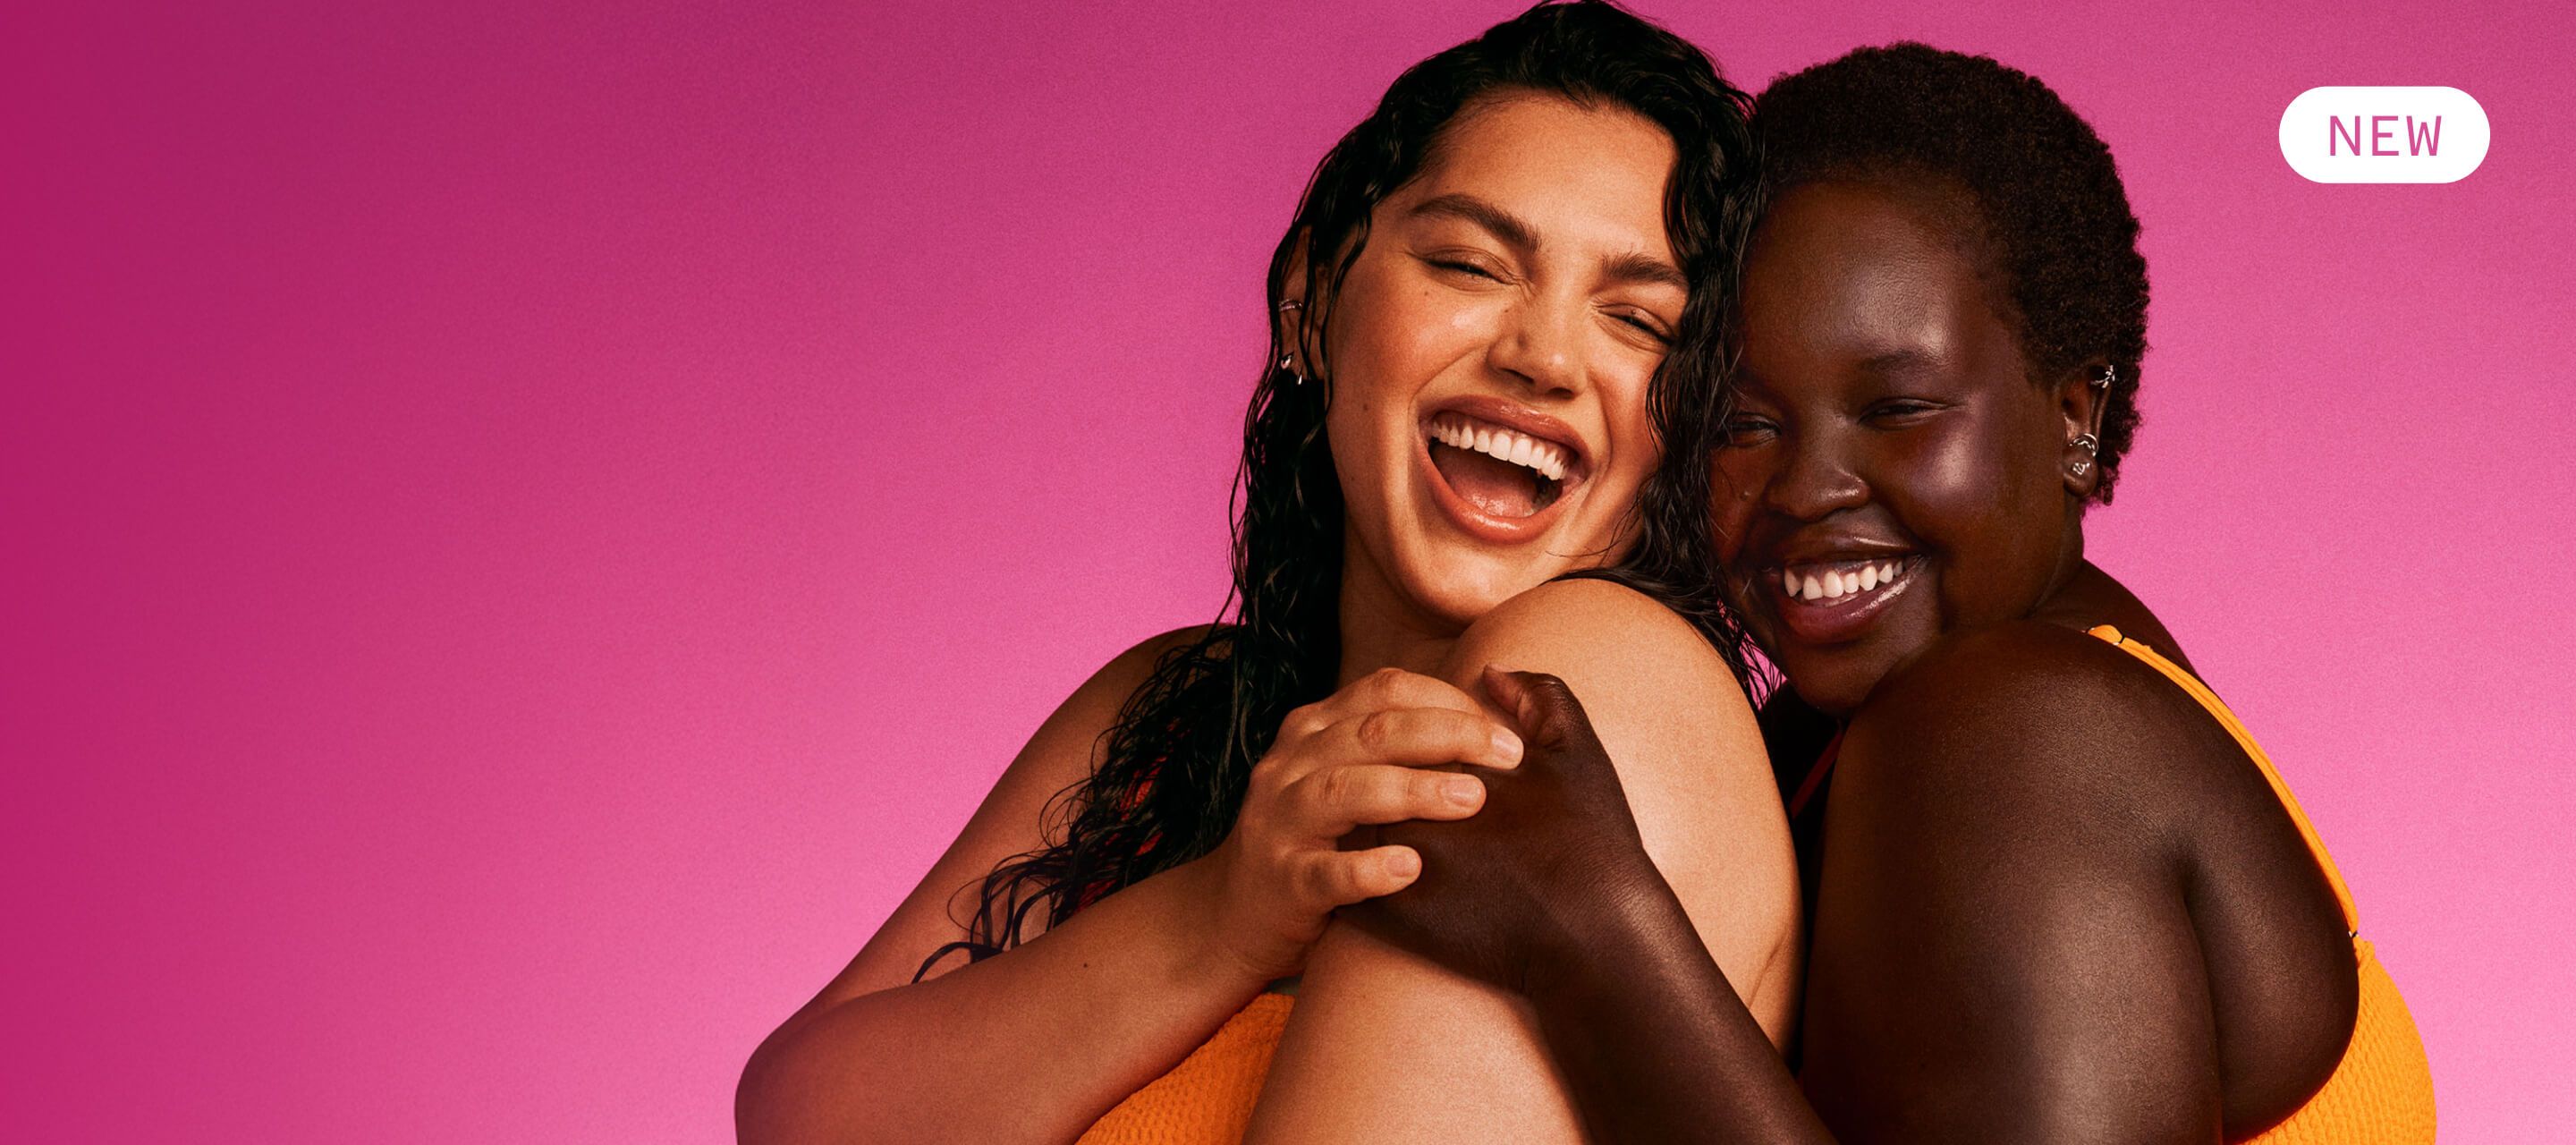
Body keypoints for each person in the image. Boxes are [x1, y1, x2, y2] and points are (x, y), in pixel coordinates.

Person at [734, 5, 1799, 1143]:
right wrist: (1222, 913)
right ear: (1316, 296)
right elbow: (800, 1111)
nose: (1539, 355)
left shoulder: (1582, 690)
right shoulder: (1184, 710)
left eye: (1639, 319)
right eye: (1466, 263)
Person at [1342, 43, 2437, 1143]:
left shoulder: (2023, 730)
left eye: (1899, 409)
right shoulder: (1852, 734)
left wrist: (1595, 932)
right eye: (1742, 425)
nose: (1807, 488)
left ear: (2073, 416)